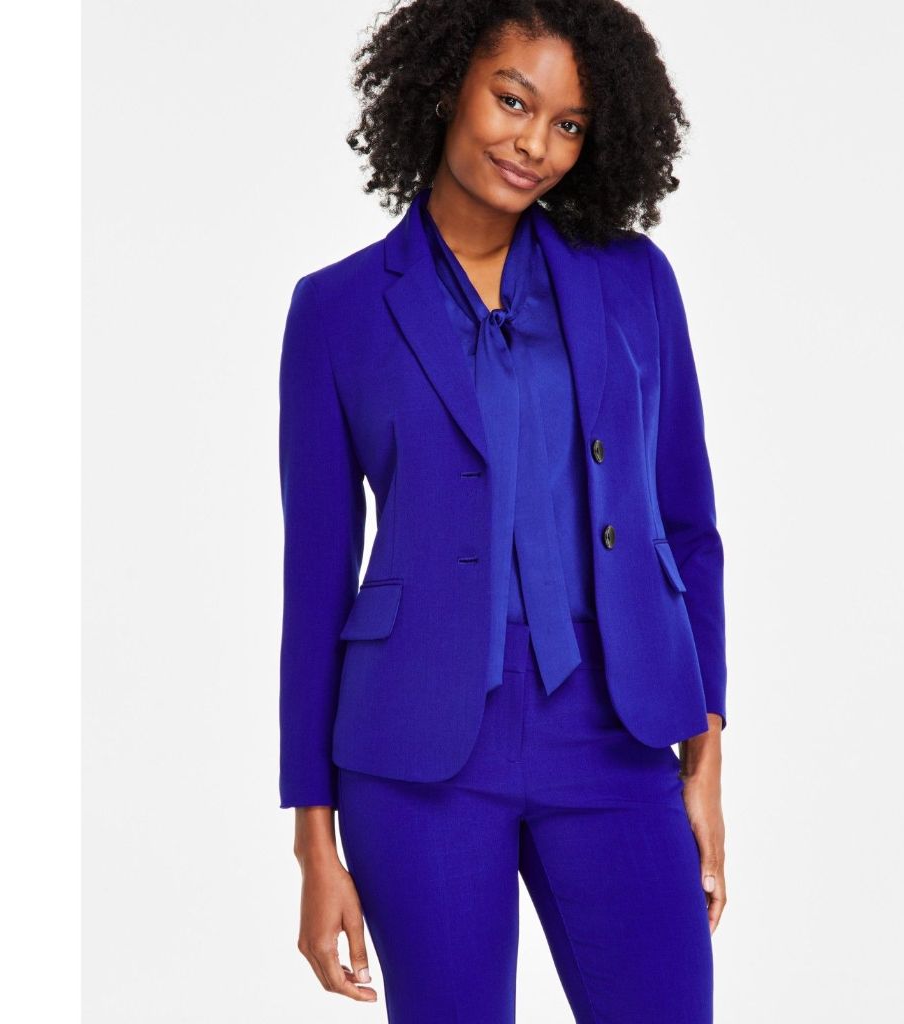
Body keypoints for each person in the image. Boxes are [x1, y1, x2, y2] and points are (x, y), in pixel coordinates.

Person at [278, 2, 727, 1020]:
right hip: (415, 755)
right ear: (448, 86)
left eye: (568, 124)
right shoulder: (336, 310)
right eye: (513, 101)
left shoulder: (634, 282)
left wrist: (703, 768)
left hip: (615, 732)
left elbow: (688, 527)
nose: (534, 144)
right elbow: (315, 585)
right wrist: (313, 843)